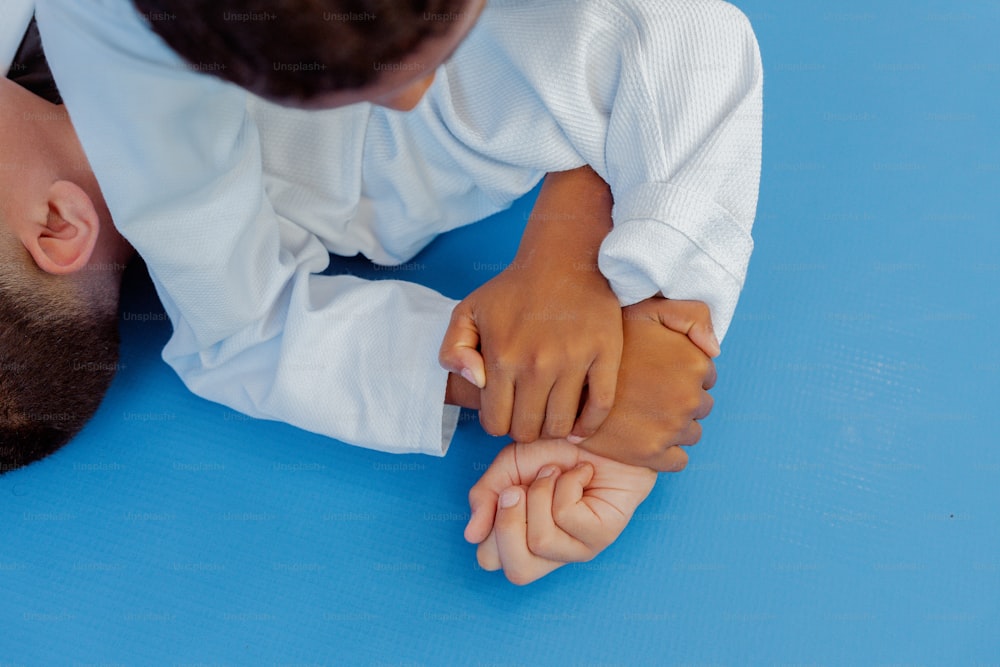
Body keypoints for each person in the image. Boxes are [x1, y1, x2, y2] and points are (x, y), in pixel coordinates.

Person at [0, 4, 728, 583]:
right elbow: (666, 44)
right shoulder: (345, 154)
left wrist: (570, 249)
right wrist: (599, 357)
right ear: (56, 224)